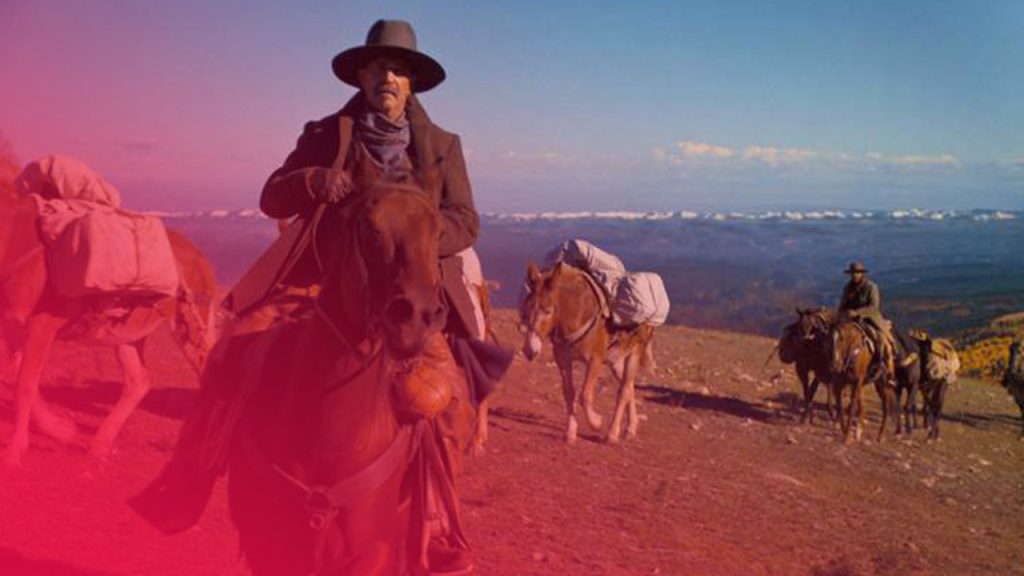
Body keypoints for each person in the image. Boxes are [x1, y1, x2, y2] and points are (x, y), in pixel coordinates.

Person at [837, 261, 895, 381]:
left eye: (857, 273)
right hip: (849, 320)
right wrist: (841, 314)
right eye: (853, 273)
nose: (855, 275)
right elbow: (842, 305)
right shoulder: (847, 288)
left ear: (862, 274)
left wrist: (857, 312)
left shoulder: (871, 287)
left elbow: (873, 307)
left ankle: (884, 365)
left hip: (870, 319)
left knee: (881, 339)